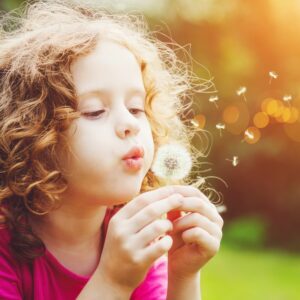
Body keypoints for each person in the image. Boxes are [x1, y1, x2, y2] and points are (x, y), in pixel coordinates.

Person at [0, 1, 224, 299]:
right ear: (32, 137)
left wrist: (183, 274)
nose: (129, 123)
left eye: (136, 107)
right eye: (94, 111)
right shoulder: (5, 249)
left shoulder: (139, 239)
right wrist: (113, 281)